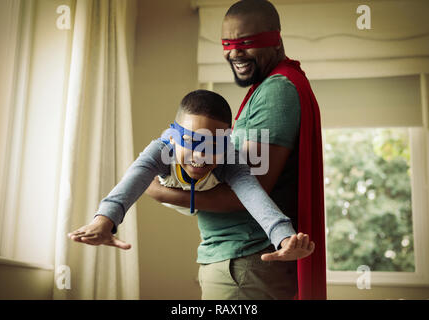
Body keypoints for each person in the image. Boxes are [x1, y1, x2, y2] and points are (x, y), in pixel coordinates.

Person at [145, 0, 326, 300]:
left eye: (246, 43)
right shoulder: (268, 87)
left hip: (244, 265)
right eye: (227, 43)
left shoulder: (275, 90)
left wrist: (161, 192)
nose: (234, 53)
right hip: (241, 264)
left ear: (276, 40)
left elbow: (251, 190)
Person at [68, 90, 315, 268]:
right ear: (174, 137)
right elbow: (132, 180)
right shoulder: (162, 151)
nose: (200, 155)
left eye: (213, 145)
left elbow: (254, 195)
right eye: (191, 141)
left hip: (198, 193)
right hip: (174, 181)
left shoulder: (228, 157)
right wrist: (104, 222)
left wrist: (284, 237)